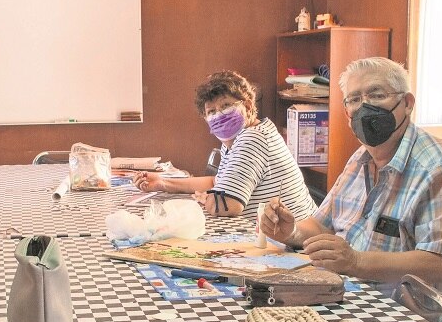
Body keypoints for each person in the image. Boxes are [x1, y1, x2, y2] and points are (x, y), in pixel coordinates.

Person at [260, 57, 442, 322]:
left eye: (377, 95)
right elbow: (320, 225)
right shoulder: (361, 158)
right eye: (354, 99)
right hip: (356, 309)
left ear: (407, 103)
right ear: (346, 113)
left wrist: (356, 262)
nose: (365, 107)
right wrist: (290, 231)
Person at [134, 70, 316, 220]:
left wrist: (211, 198)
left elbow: (228, 205)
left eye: (227, 105)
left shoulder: (252, 140)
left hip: (293, 246)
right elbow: (216, 182)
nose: (219, 115)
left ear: (248, 106)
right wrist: (163, 182)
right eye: (211, 111)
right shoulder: (240, 138)